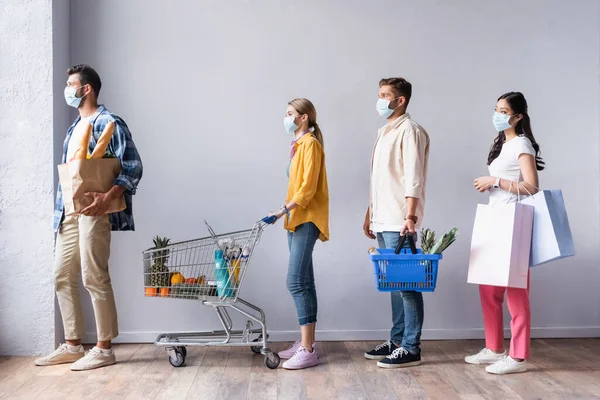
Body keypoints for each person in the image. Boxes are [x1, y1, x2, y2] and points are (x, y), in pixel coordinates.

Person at [35, 64, 143, 371]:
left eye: (72, 84)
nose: (67, 90)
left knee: (94, 276)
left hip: (96, 211)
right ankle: (72, 345)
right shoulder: (75, 127)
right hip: (68, 211)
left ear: (87, 89)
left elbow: (133, 167)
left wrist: (107, 197)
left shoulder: (109, 122)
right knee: (61, 275)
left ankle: (104, 348)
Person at [466, 91, 543, 374]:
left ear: (518, 116)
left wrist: (495, 180)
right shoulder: (502, 143)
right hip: (494, 218)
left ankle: (519, 355)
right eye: (496, 109)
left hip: (513, 220)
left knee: (515, 290)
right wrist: (495, 183)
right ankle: (494, 347)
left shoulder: (521, 143)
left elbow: (532, 186)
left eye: (504, 110)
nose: (498, 115)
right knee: (488, 288)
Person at [363, 77, 430, 368]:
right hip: (382, 217)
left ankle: (411, 347)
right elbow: (380, 179)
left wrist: (410, 216)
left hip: (400, 219)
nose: (379, 100)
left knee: (407, 284)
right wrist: (370, 213)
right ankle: (397, 340)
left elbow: (413, 177)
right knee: (393, 283)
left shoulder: (411, 131)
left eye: (384, 95)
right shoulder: (384, 131)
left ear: (399, 100)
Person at [265, 98, 329, 370]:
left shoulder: (311, 145)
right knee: (305, 282)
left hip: (306, 219)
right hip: (296, 220)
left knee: (295, 282)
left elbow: (307, 189)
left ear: (304, 118)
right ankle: (307, 344)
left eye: (290, 113)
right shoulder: (298, 146)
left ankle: (307, 349)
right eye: (286, 113)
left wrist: (281, 211)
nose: (286, 118)